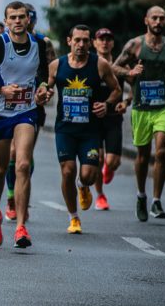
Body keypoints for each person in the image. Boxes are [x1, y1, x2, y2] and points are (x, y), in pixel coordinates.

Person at [0, 1, 50, 249]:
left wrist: (44, 89)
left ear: (28, 20)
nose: (17, 21)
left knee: (23, 163)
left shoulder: (38, 45)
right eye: (12, 17)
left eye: (21, 17)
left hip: (26, 111)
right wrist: (1, 89)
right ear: (6, 21)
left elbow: (43, 75)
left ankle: (21, 227)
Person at [45, 25, 121, 234]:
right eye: (77, 40)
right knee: (68, 170)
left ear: (90, 43)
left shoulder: (100, 65)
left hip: (90, 131)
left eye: (85, 41)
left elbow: (116, 90)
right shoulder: (57, 65)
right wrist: (43, 94)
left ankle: (83, 185)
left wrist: (106, 104)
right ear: (69, 41)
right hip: (65, 129)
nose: (81, 45)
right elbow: (46, 87)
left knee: (88, 175)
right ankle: (74, 218)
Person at [112, 6, 165, 222]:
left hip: (163, 106)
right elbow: (114, 67)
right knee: (142, 155)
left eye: (162, 18)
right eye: (155, 18)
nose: (159, 22)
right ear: (146, 21)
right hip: (141, 107)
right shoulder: (134, 45)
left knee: (160, 152)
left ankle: (156, 201)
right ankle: (141, 195)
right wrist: (130, 72)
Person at [2, 4, 57, 221]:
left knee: (24, 156)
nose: (22, 21)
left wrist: (45, 88)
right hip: (7, 103)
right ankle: (10, 195)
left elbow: (50, 71)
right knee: (12, 153)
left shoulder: (43, 43)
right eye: (15, 17)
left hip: (33, 104)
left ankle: (20, 190)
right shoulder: (4, 43)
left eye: (26, 18)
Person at [92, 28, 126, 209]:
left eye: (108, 39)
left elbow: (134, 86)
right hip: (95, 117)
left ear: (113, 43)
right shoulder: (90, 64)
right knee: (97, 158)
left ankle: (108, 168)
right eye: (101, 39)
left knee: (113, 162)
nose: (104, 42)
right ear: (94, 43)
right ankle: (100, 195)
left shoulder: (120, 66)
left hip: (113, 117)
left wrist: (126, 102)